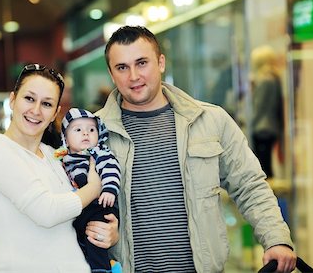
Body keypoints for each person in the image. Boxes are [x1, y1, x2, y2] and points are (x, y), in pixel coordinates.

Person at [94, 26, 296, 273]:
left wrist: (276, 239)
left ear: (161, 63)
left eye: (142, 63)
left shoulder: (210, 120)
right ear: (111, 74)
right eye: (122, 67)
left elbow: (249, 185)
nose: (134, 76)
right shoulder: (92, 135)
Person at [0, 64, 118, 272]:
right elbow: (47, 211)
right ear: (13, 100)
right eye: (29, 98)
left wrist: (109, 231)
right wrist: (94, 187)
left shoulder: (54, 155)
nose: (36, 110)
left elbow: (76, 212)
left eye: (47, 104)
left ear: (55, 113)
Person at [55, 108, 121, 272]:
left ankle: (102, 269)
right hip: (80, 209)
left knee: (95, 238)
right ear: (66, 139)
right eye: (78, 130)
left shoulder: (98, 153)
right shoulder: (63, 158)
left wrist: (109, 189)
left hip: (101, 205)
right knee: (80, 240)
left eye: (91, 130)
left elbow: (111, 168)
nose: (86, 134)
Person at [250, 45, 284, 179]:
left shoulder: (265, 81)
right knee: (267, 166)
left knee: (263, 168)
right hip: (271, 127)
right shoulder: (275, 78)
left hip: (262, 128)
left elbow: (259, 106)